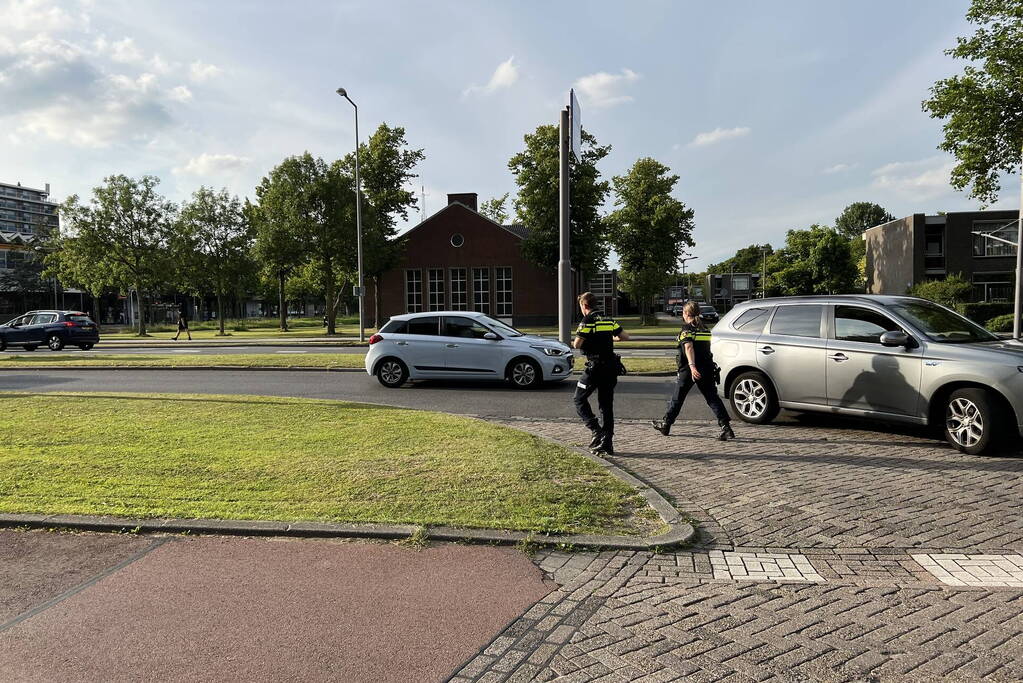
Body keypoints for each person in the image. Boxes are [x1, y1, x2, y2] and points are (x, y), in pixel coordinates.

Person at [652, 300, 735, 441]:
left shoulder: (687, 329)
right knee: (712, 398)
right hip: (707, 368)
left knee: (678, 398)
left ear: (686, 313)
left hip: (690, 369)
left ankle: (666, 425)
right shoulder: (705, 329)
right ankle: (726, 427)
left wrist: (692, 366)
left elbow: (689, 347)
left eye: (683, 313)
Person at [573, 292, 629, 456]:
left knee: (578, 398)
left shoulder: (587, 320)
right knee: (606, 405)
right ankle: (607, 443)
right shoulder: (608, 319)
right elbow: (625, 336)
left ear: (584, 305)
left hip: (595, 367)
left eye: (581, 306)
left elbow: (577, 344)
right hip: (610, 367)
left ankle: (596, 429)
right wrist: (610, 339)